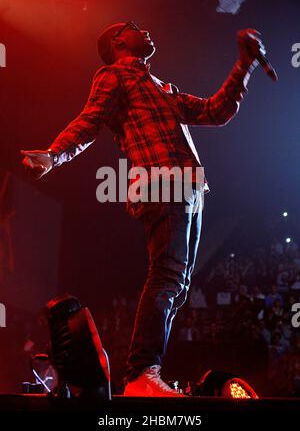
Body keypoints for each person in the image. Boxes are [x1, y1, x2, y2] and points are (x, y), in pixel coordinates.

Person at [21, 21, 265, 397]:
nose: (148, 31)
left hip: (189, 187)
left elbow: (215, 112)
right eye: (136, 28)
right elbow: (90, 120)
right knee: (167, 276)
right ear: (119, 40)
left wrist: (243, 66)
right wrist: (54, 155)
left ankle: (145, 374)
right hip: (161, 182)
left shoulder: (161, 87)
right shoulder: (114, 75)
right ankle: (140, 375)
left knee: (177, 285)